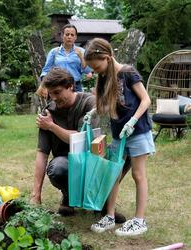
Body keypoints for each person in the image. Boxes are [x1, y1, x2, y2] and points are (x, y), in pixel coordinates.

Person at [84, 38, 155, 236]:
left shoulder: (128, 73)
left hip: (137, 131)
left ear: (107, 58)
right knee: (113, 174)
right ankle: (110, 216)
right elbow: (110, 104)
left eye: (97, 66)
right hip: (118, 134)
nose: (96, 71)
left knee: (137, 174)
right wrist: (94, 112)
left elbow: (146, 99)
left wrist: (132, 121)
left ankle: (139, 220)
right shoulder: (106, 77)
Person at [30, 67, 97, 216]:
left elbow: (83, 138)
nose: (53, 97)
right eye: (50, 93)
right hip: (66, 163)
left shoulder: (89, 103)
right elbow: (42, 153)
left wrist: (52, 126)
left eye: (57, 92)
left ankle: (103, 202)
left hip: (92, 160)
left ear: (70, 86)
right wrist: (36, 195)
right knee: (57, 168)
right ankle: (68, 197)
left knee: (124, 156)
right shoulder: (48, 113)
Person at [39, 24, 92, 92]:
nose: (69, 37)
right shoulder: (54, 52)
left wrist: (81, 57)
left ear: (75, 37)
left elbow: (87, 71)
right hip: (58, 86)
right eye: (67, 34)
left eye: (72, 35)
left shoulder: (81, 51)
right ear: (62, 36)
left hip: (76, 87)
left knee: (77, 103)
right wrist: (42, 85)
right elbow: (46, 71)